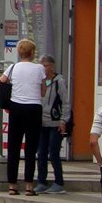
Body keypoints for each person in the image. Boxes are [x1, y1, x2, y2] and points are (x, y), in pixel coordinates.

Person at [0, 38, 44, 195]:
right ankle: (29, 185)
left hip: (16, 108)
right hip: (34, 108)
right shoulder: (39, 68)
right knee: (31, 147)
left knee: (14, 147)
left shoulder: (13, 68)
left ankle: (12, 185)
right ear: (32, 52)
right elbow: (43, 92)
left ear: (19, 52)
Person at [34, 55, 70, 194]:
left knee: (53, 151)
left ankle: (59, 182)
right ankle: (41, 181)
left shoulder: (59, 81)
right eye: (41, 65)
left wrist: (63, 120)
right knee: (41, 152)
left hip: (55, 122)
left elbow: (66, 102)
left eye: (45, 65)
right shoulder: (39, 81)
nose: (43, 68)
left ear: (52, 66)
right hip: (41, 122)